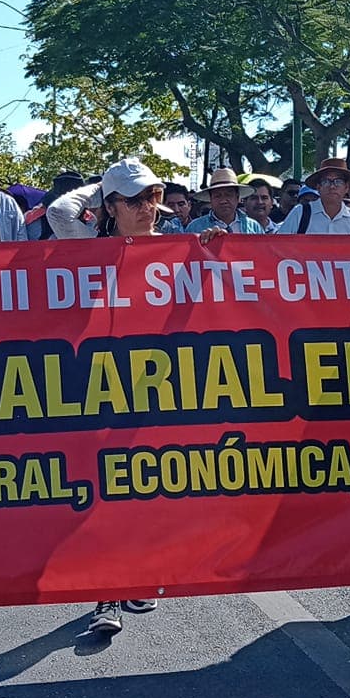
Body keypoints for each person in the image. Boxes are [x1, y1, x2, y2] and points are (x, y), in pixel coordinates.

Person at [84, 157, 229, 634]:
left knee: (148, 488)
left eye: (152, 196)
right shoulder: (85, 252)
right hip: (104, 385)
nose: (146, 206)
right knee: (107, 490)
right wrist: (96, 194)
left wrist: (212, 252)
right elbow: (63, 211)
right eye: (132, 199)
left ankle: (139, 574)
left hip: (163, 385)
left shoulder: (181, 248)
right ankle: (106, 592)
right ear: (110, 206)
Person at [272, 158, 350, 234]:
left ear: (346, 187)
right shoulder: (300, 213)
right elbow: (281, 246)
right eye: (326, 181)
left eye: (338, 181)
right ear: (318, 187)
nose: (332, 186)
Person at [184, 169, 264, 235]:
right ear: (210, 199)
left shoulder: (254, 227)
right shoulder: (194, 228)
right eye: (217, 196)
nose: (223, 201)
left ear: (237, 197)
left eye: (228, 195)